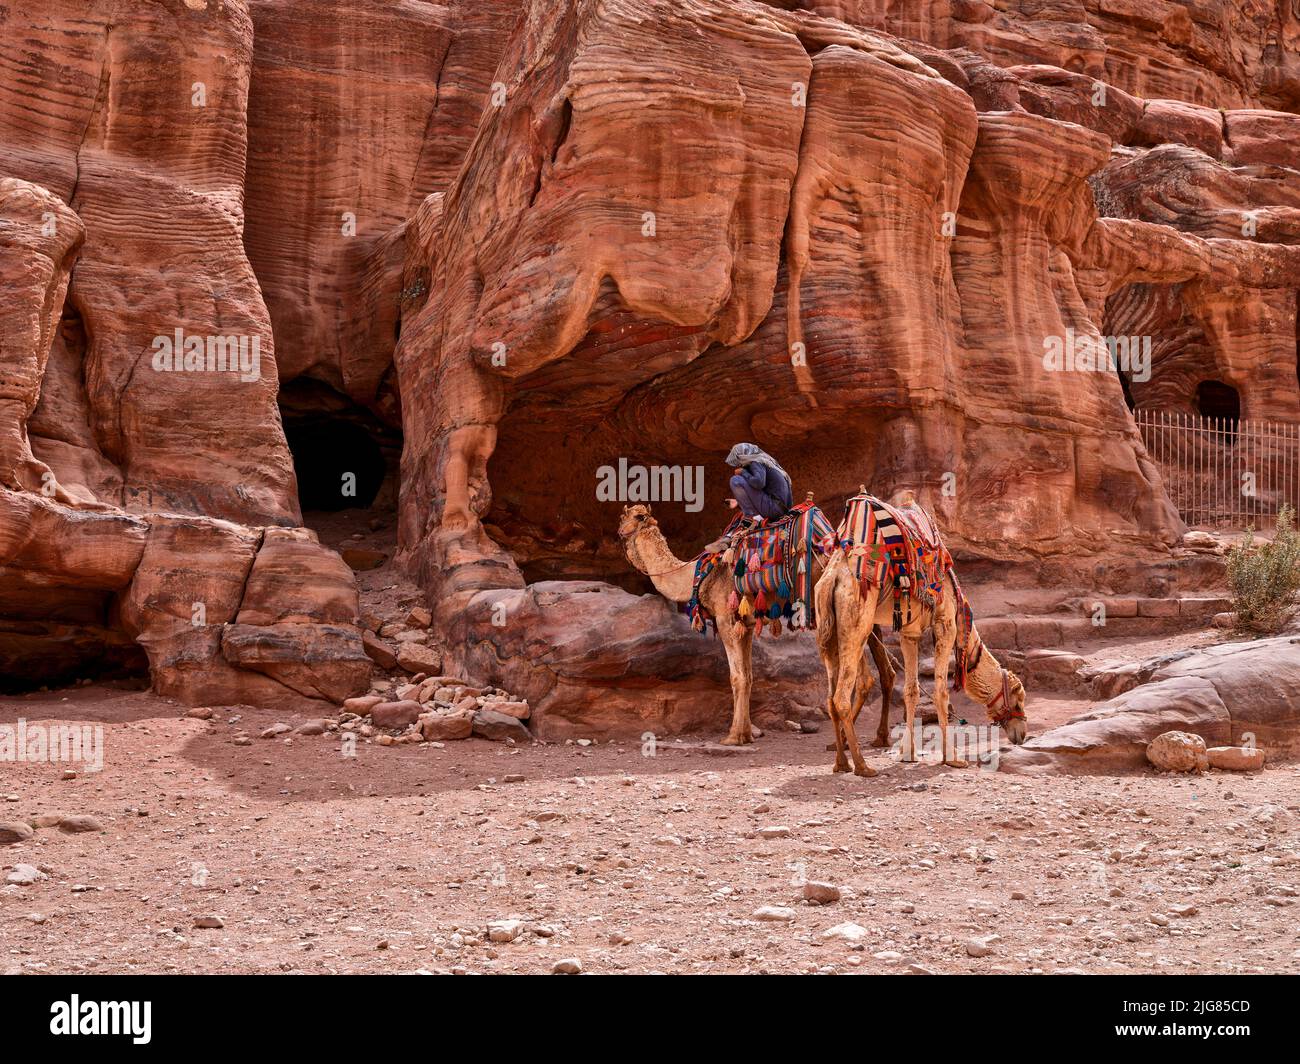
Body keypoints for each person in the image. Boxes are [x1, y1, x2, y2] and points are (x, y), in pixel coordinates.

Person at [705, 443, 793, 552]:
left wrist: (743, 473)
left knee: (736, 480)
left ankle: (750, 520)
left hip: (773, 508)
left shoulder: (756, 462)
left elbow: (758, 483)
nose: (739, 464)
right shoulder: (769, 463)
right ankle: (730, 537)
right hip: (779, 508)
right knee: (740, 511)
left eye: (738, 459)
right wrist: (738, 502)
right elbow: (763, 491)